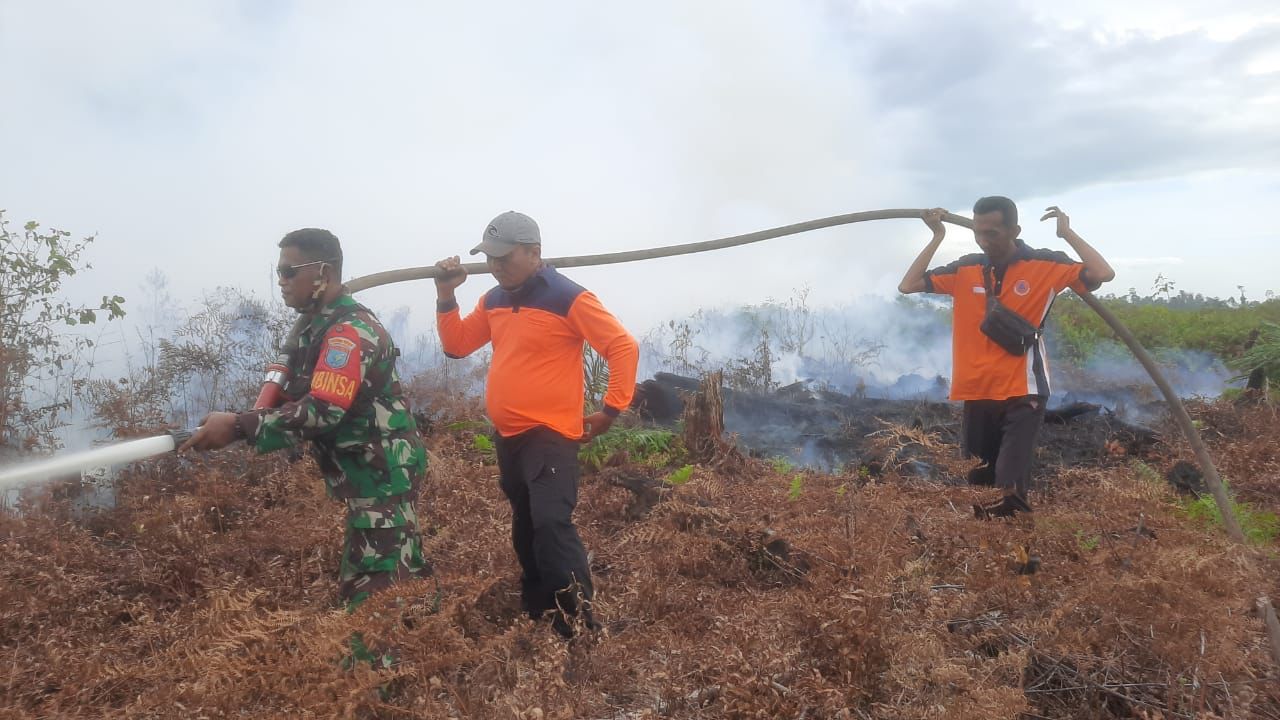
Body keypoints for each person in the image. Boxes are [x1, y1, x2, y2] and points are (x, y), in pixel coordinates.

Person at [182, 228, 430, 611]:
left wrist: (237, 427)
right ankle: (420, 646)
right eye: (278, 272)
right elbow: (292, 394)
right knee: (400, 580)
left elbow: (321, 410)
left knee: (373, 599)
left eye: (289, 272)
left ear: (324, 274)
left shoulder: (348, 334)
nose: (280, 282)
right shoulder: (314, 328)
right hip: (371, 475)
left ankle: (375, 668)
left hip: (382, 478)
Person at [434, 210, 639, 638]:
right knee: (526, 523)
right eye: (489, 257)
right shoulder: (493, 300)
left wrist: (610, 410)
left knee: (550, 524)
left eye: (504, 257)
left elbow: (622, 346)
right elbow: (456, 346)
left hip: (551, 436)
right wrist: (446, 296)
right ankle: (537, 608)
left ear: (533, 253)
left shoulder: (567, 297)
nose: (494, 266)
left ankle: (579, 622)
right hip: (509, 437)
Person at [898, 197, 1115, 517]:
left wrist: (1067, 234)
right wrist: (937, 237)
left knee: (1010, 487)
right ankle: (989, 554)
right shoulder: (965, 268)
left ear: (1014, 230)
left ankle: (1020, 555)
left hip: (1022, 391)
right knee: (978, 483)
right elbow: (909, 285)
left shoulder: (1046, 265)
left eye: (993, 233)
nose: (984, 241)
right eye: (978, 233)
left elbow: (1102, 272)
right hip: (976, 391)